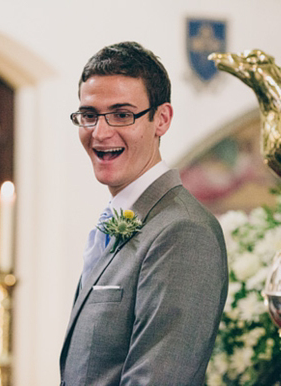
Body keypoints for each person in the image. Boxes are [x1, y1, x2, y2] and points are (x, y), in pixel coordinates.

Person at [60, 42, 228, 385]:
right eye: (89, 115)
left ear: (161, 119)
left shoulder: (183, 231)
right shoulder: (119, 219)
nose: (100, 133)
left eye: (122, 114)